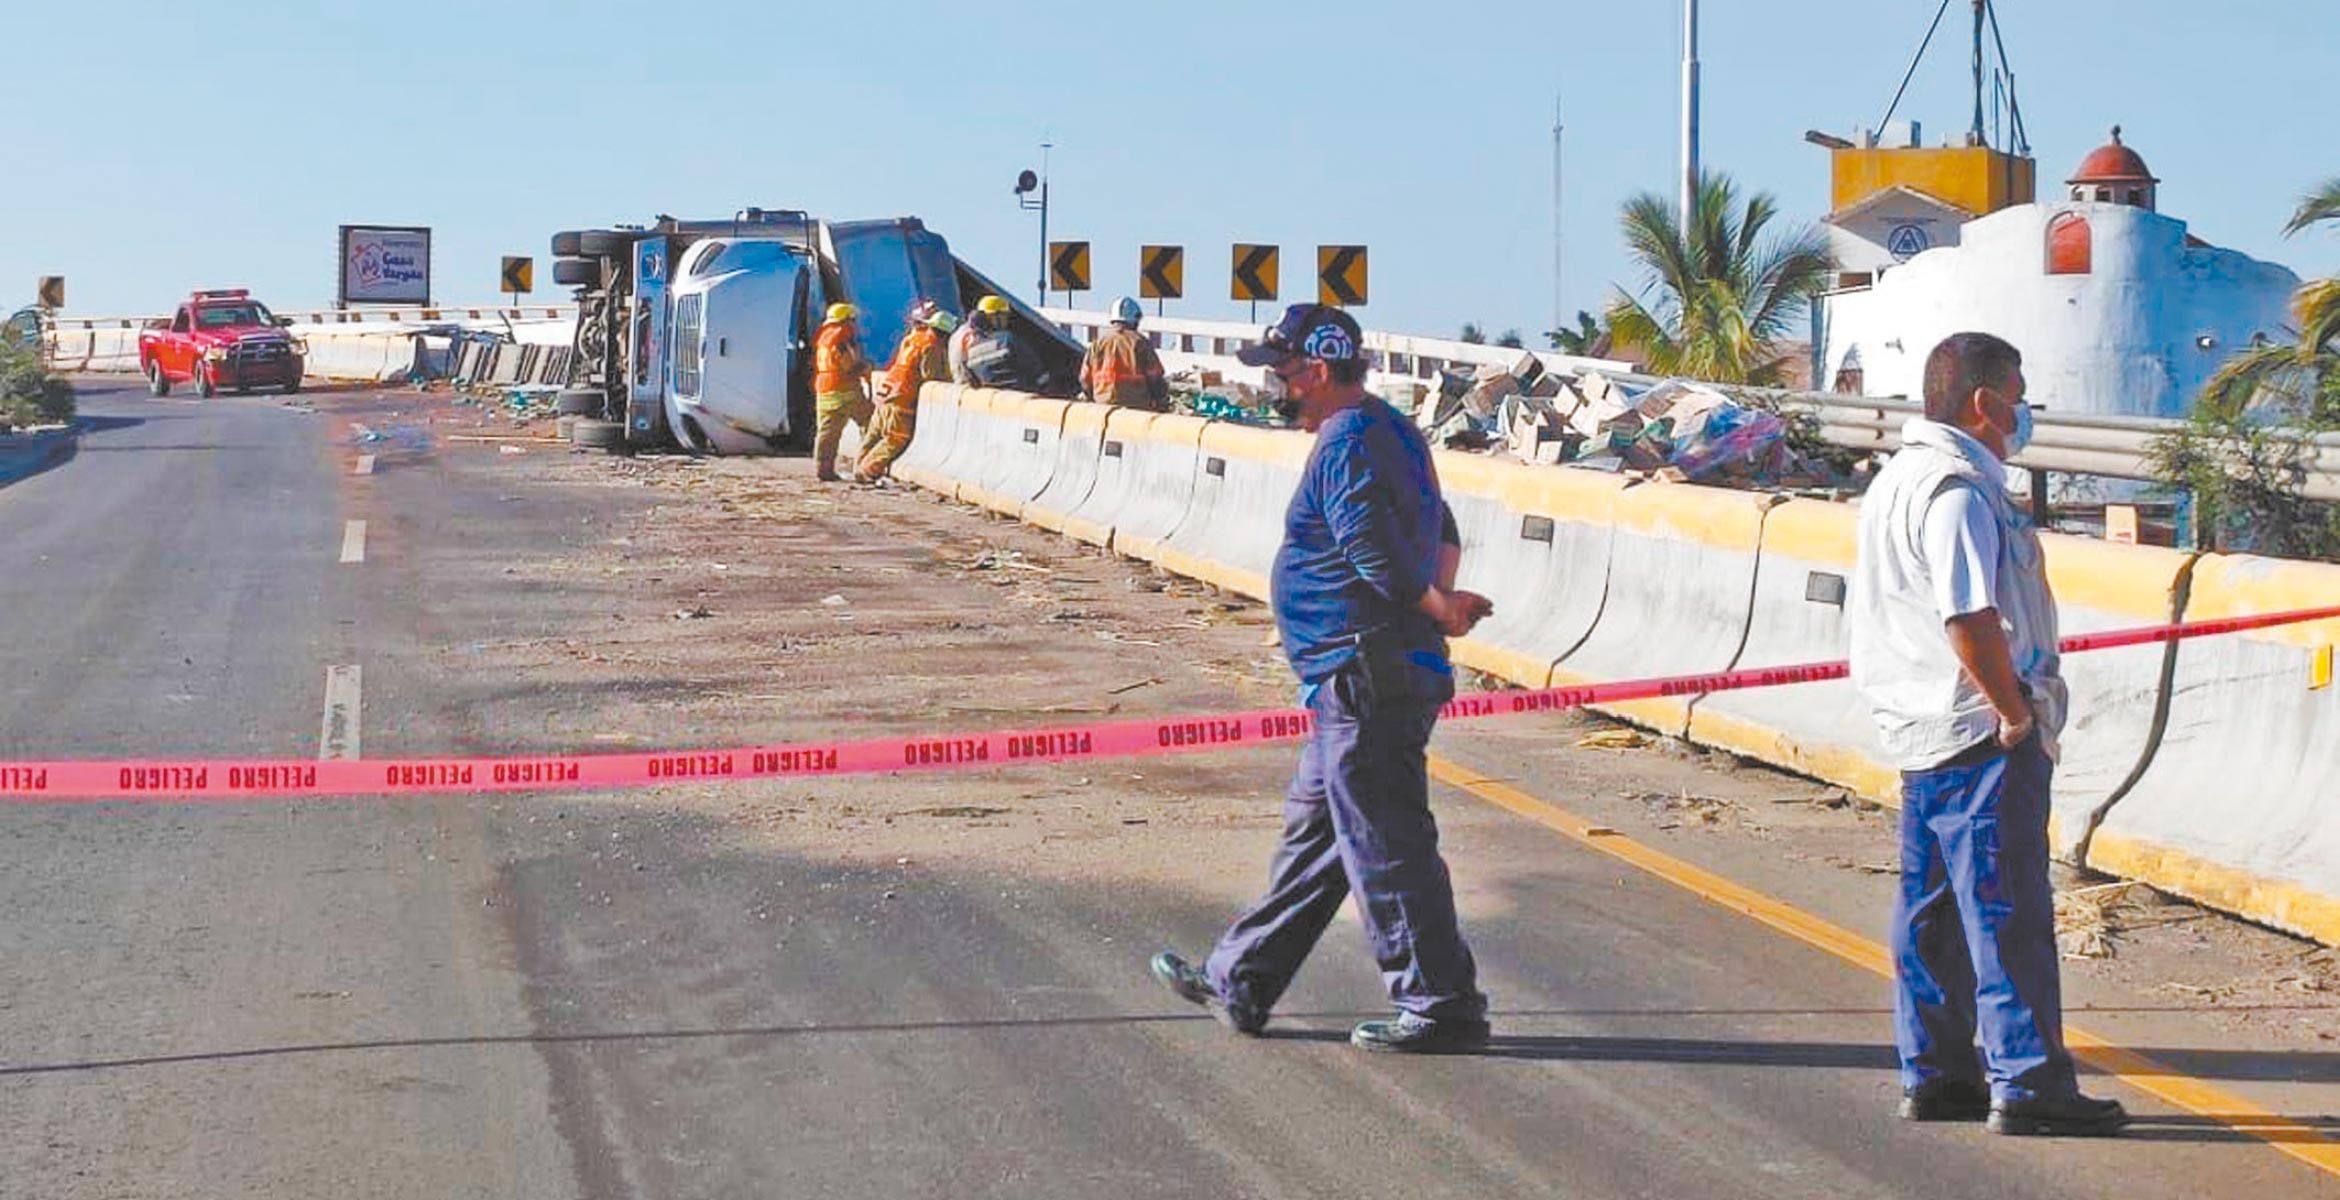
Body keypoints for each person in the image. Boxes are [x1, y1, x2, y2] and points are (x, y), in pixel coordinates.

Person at [1150, 303, 1495, 1054]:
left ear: (1318, 370)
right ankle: (1240, 980)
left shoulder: (1350, 441)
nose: (1276, 390)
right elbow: (1444, 530)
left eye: (1281, 375)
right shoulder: (1387, 431)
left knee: (1385, 840)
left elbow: (1373, 549)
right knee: (1320, 837)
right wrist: (1441, 604)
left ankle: (1441, 1004)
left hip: (1364, 673)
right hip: (1360, 673)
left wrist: (1436, 606)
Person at [1847, 332, 2129, 1137]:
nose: (2023, 409)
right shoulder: (1960, 492)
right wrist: (2014, 710)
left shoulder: (1899, 479)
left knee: (1930, 911)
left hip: (1922, 732)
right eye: (2018, 391)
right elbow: (1968, 615)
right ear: (1985, 404)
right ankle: (2030, 1084)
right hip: (1977, 733)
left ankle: (1936, 1074)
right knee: (2006, 912)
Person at [854, 300, 956, 483]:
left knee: (873, 435)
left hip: (886, 392)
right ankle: (867, 470)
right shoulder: (931, 345)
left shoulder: (911, 338)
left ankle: (858, 465)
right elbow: (930, 374)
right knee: (896, 438)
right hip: (902, 398)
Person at [810, 302, 873, 481]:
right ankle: (868, 466)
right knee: (870, 423)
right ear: (847, 320)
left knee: (827, 432)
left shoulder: (824, 337)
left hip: (824, 389)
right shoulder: (843, 336)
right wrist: (864, 369)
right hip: (845, 389)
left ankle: (823, 469)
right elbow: (848, 365)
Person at [1080, 295, 1169, 411]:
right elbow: (1156, 379)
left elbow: (1084, 379)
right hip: (1136, 409)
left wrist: (1092, 398)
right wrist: (1161, 402)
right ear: (1135, 318)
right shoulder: (1140, 343)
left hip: (1102, 407)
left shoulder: (1098, 343)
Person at [960, 295, 1049, 392]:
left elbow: (972, 379)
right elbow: (1036, 369)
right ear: (993, 317)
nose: (1005, 321)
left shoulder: (972, 348)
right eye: (1003, 316)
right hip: (1018, 396)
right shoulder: (1007, 340)